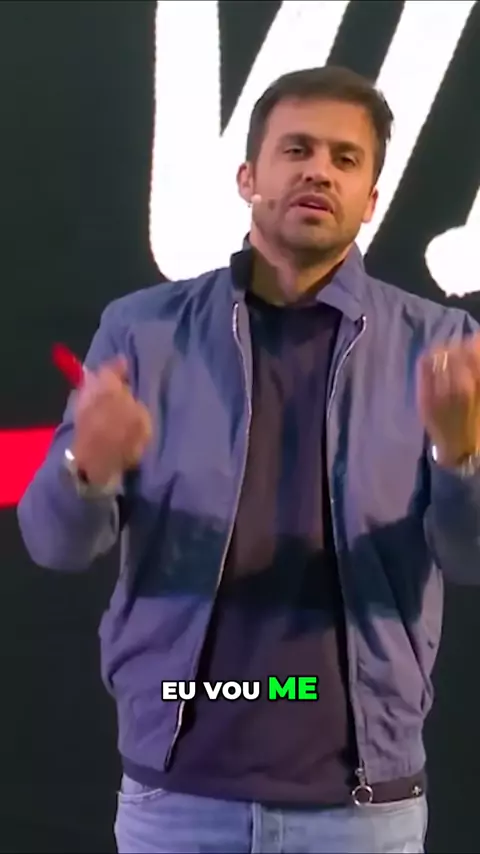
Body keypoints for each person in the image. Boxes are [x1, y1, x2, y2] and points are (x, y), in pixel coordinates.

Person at [17, 65, 480, 854]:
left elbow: (470, 559)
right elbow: (53, 543)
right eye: (296, 149)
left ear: (371, 199)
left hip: (363, 811)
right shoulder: (143, 331)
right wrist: (85, 469)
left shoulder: (442, 347)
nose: (318, 171)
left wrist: (460, 452)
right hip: (175, 802)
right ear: (247, 177)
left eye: (344, 158)